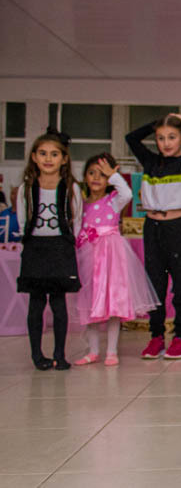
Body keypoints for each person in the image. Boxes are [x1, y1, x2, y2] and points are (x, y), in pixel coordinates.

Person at [126, 113, 181, 359]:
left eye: (172, 137)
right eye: (161, 138)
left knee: (180, 287)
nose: (165, 143)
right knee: (155, 285)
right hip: (152, 227)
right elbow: (131, 138)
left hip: (178, 226)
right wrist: (154, 123)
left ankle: (180, 338)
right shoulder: (151, 161)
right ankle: (156, 337)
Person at [73, 153, 159, 366]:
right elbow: (76, 228)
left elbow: (128, 193)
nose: (96, 178)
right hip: (88, 257)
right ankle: (92, 351)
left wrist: (114, 176)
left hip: (111, 257)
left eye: (102, 175)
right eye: (92, 173)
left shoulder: (113, 201)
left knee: (114, 304)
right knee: (90, 304)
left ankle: (111, 351)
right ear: (84, 176)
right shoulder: (80, 205)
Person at [17, 127, 82, 370]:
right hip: (35, 247)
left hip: (60, 248)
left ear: (64, 159)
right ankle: (37, 355)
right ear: (34, 156)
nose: (48, 159)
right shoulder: (27, 188)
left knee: (58, 302)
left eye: (54, 154)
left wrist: (67, 242)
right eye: (42, 153)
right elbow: (24, 219)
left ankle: (59, 354)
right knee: (36, 303)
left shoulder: (71, 188)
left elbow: (78, 219)